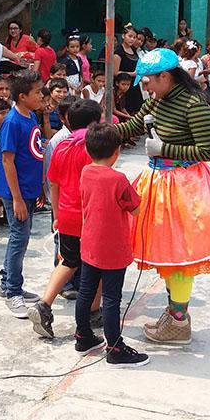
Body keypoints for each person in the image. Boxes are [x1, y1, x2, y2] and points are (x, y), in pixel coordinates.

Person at [117, 49, 210, 344]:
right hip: (159, 183)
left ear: (165, 76)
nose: (144, 88)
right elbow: (133, 126)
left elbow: (208, 151)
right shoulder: (157, 100)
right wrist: (93, 136)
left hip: (183, 187)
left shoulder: (193, 104)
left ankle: (178, 323)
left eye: (147, 82)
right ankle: (175, 313)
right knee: (166, 253)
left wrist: (166, 150)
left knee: (180, 256)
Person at [69, 122, 150, 366]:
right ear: (117, 151)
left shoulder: (86, 171)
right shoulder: (118, 179)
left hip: (90, 242)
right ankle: (115, 347)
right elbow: (135, 209)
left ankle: (83, 337)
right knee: (112, 298)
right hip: (113, 247)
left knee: (86, 291)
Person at [28, 100, 105, 338]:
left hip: (67, 214)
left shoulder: (61, 145)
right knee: (98, 264)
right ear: (95, 122)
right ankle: (93, 312)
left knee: (69, 260)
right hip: (90, 215)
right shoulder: (94, 146)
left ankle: (44, 304)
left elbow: (53, 182)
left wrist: (58, 215)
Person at [0, 73, 45, 317]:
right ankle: (13, 291)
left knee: (20, 237)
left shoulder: (31, 115)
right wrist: (16, 198)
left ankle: (7, 282)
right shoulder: (12, 122)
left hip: (29, 188)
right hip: (17, 191)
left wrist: (40, 188)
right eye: (37, 92)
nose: (41, 96)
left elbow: (34, 153)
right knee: (19, 238)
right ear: (23, 97)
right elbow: (7, 160)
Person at [113, 25, 143, 115]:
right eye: (130, 36)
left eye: (134, 37)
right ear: (123, 36)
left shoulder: (134, 50)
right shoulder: (118, 52)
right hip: (123, 86)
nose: (132, 39)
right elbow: (115, 72)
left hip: (134, 85)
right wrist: (132, 74)